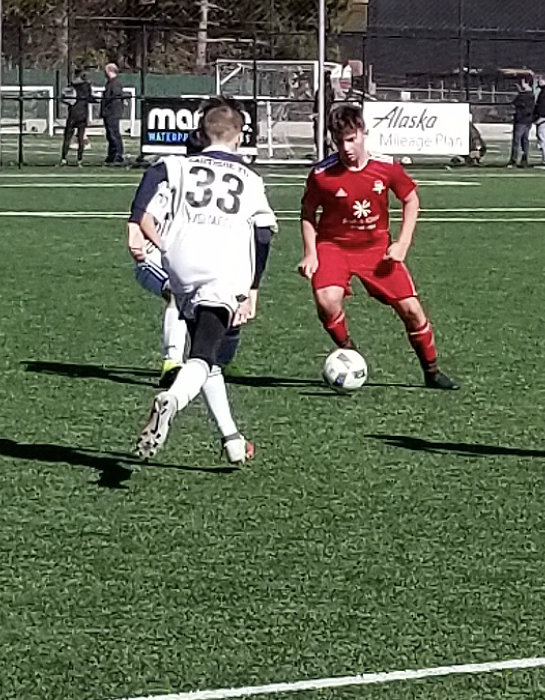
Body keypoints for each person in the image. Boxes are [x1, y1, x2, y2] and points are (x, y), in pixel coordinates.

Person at [129, 100, 277, 463]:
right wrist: (253, 287)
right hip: (222, 267)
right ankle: (172, 401)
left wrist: (150, 234)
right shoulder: (251, 178)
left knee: (205, 355)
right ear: (239, 137)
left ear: (202, 133)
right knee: (203, 355)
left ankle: (232, 440)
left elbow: (146, 198)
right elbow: (262, 235)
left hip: (179, 263)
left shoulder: (175, 165)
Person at [298, 102, 458, 390]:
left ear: (363, 133)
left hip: (376, 250)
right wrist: (310, 251)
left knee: (412, 310)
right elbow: (308, 212)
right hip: (333, 246)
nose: (346, 147)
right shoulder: (322, 175)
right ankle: (349, 351)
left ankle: (432, 371)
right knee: (326, 300)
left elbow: (411, 199)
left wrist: (402, 243)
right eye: (339, 141)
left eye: (351, 138)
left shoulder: (386, 167)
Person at [59, 68, 93, 166]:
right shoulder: (87, 86)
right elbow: (91, 98)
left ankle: (64, 159)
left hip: (73, 113)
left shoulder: (71, 86)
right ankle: (79, 160)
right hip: (83, 114)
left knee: (67, 137)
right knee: (81, 137)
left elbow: (63, 98)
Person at [100, 62, 125, 165]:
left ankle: (118, 155)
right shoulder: (110, 83)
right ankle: (112, 154)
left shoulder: (115, 84)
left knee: (114, 133)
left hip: (113, 112)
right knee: (110, 134)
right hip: (109, 112)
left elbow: (114, 96)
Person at [508, 76, 534, 168]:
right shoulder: (531, 95)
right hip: (527, 120)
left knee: (517, 140)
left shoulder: (524, 96)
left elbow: (516, 104)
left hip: (521, 120)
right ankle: (524, 159)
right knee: (524, 141)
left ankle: (514, 160)